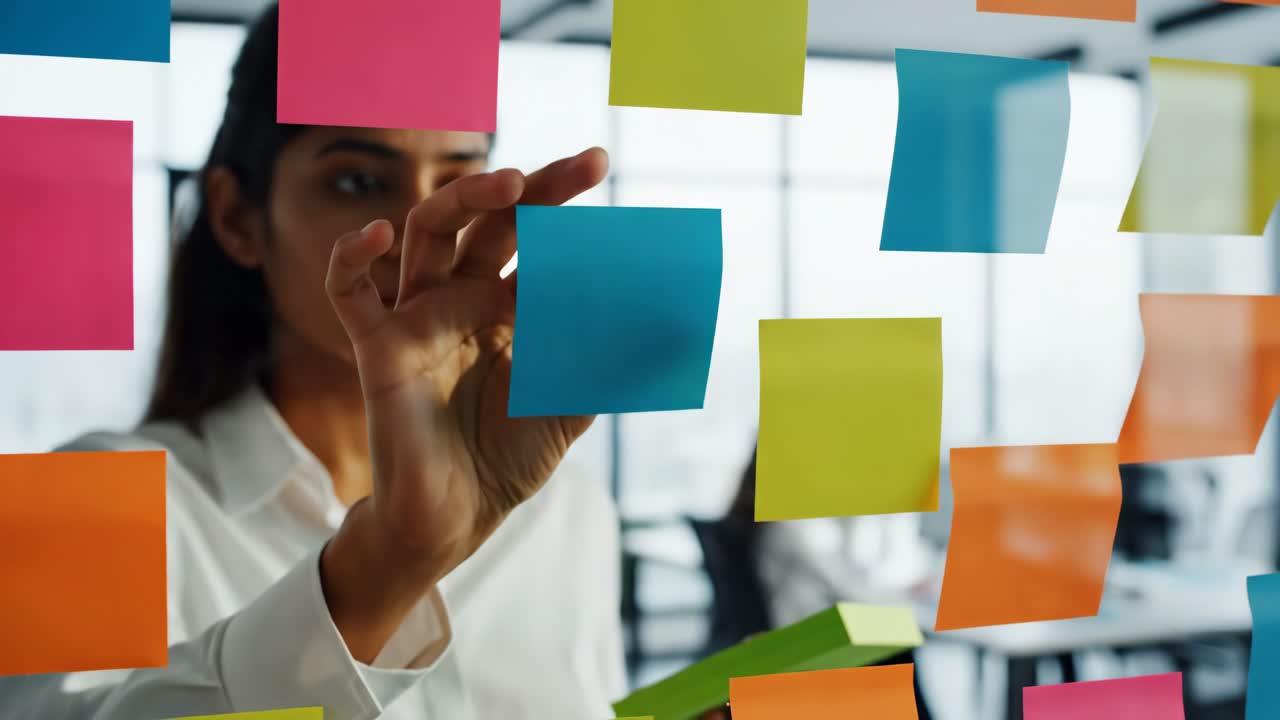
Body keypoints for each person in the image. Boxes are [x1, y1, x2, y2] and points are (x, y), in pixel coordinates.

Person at [0, 5, 627, 718]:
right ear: (239, 218)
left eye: (457, 182)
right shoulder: (89, 496)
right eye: (359, 182)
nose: (423, 226)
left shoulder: (567, 509)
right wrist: (382, 567)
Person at [719, 445, 938, 719]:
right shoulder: (791, 524)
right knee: (894, 642)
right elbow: (847, 586)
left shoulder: (763, 517)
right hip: (804, 642)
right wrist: (905, 595)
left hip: (789, 637)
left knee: (892, 640)